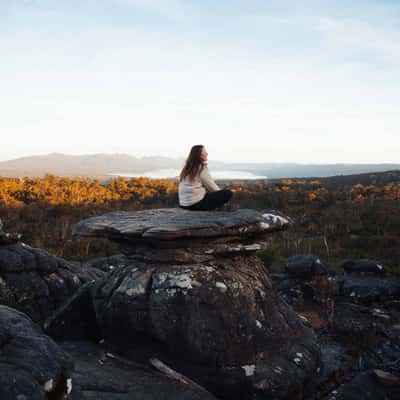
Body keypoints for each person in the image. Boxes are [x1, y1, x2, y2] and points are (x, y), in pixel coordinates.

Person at [178, 145, 233, 211]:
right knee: (228, 193)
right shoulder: (201, 168)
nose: (207, 154)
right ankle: (219, 208)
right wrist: (221, 197)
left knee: (207, 194)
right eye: (205, 152)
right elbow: (212, 187)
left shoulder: (187, 168)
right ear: (199, 155)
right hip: (195, 205)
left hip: (184, 205)